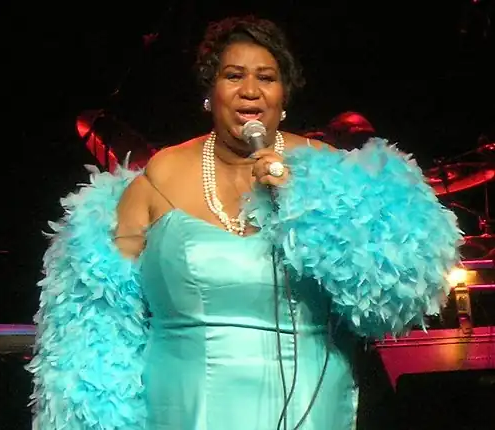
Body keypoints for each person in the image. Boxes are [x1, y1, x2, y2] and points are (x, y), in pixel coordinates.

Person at [27, 15, 462, 430]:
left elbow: (393, 299)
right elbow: (99, 309)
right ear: (210, 92)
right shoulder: (160, 176)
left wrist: (305, 202)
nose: (250, 91)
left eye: (266, 78)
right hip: (184, 404)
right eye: (234, 76)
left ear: (283, 97)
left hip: (309, 403)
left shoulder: (331, 173)